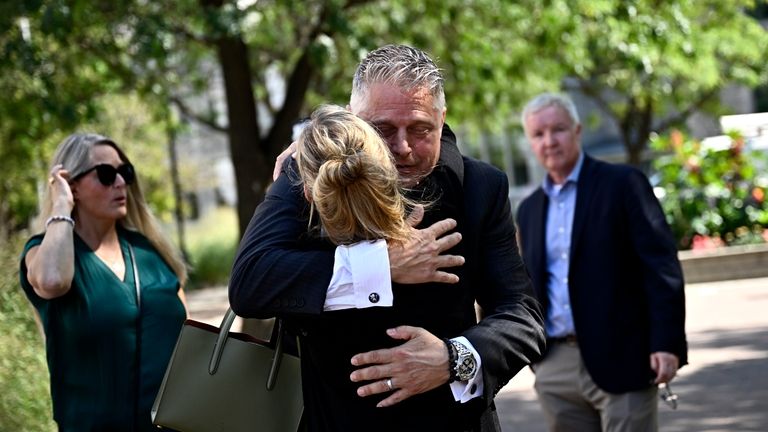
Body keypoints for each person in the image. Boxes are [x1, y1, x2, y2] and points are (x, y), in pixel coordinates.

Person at [229, 44, 545, 432]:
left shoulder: (480, 186)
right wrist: (382, 264)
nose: (403, 148)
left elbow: (522, 317)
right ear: (353, 119)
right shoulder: (305, 174)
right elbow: (250, 283)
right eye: (382, 130)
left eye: (420, 129)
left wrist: (452, 358)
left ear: (442, 120)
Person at [515, 93, 688, 431]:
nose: (549, 141)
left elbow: (660, 266)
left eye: (558, 129)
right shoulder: (530, 209)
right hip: (556, 367)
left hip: (624, 356)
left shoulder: (623, 185)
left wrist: (666, 343)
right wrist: (538, 361)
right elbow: (529, 284)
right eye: (538, 134)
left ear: (577, 131)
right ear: (529, 142)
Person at [19, 133, 188, 431]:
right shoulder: (43, 253)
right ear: (72, 187)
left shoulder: (148, 251)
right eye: (106, 174)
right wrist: (60, 207)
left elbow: (189, 335)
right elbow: (53, 281)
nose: (120, 182)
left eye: (125, 172)